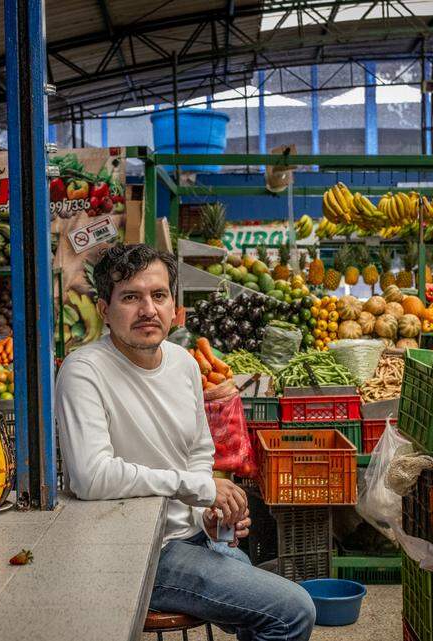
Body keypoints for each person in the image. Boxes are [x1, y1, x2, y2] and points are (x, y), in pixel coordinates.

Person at [55, 244, 316, 641]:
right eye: (131, 297)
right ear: (105, 310)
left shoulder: (184, 363)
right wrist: (200, 488)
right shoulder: (84, 371)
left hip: (194, 538)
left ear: (173, 307)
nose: (148, 309)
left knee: (269, 607)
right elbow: (92, 476)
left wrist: (207, 515)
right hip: (137, 552)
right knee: (293, 611)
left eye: (158, 295)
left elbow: (198, 452)